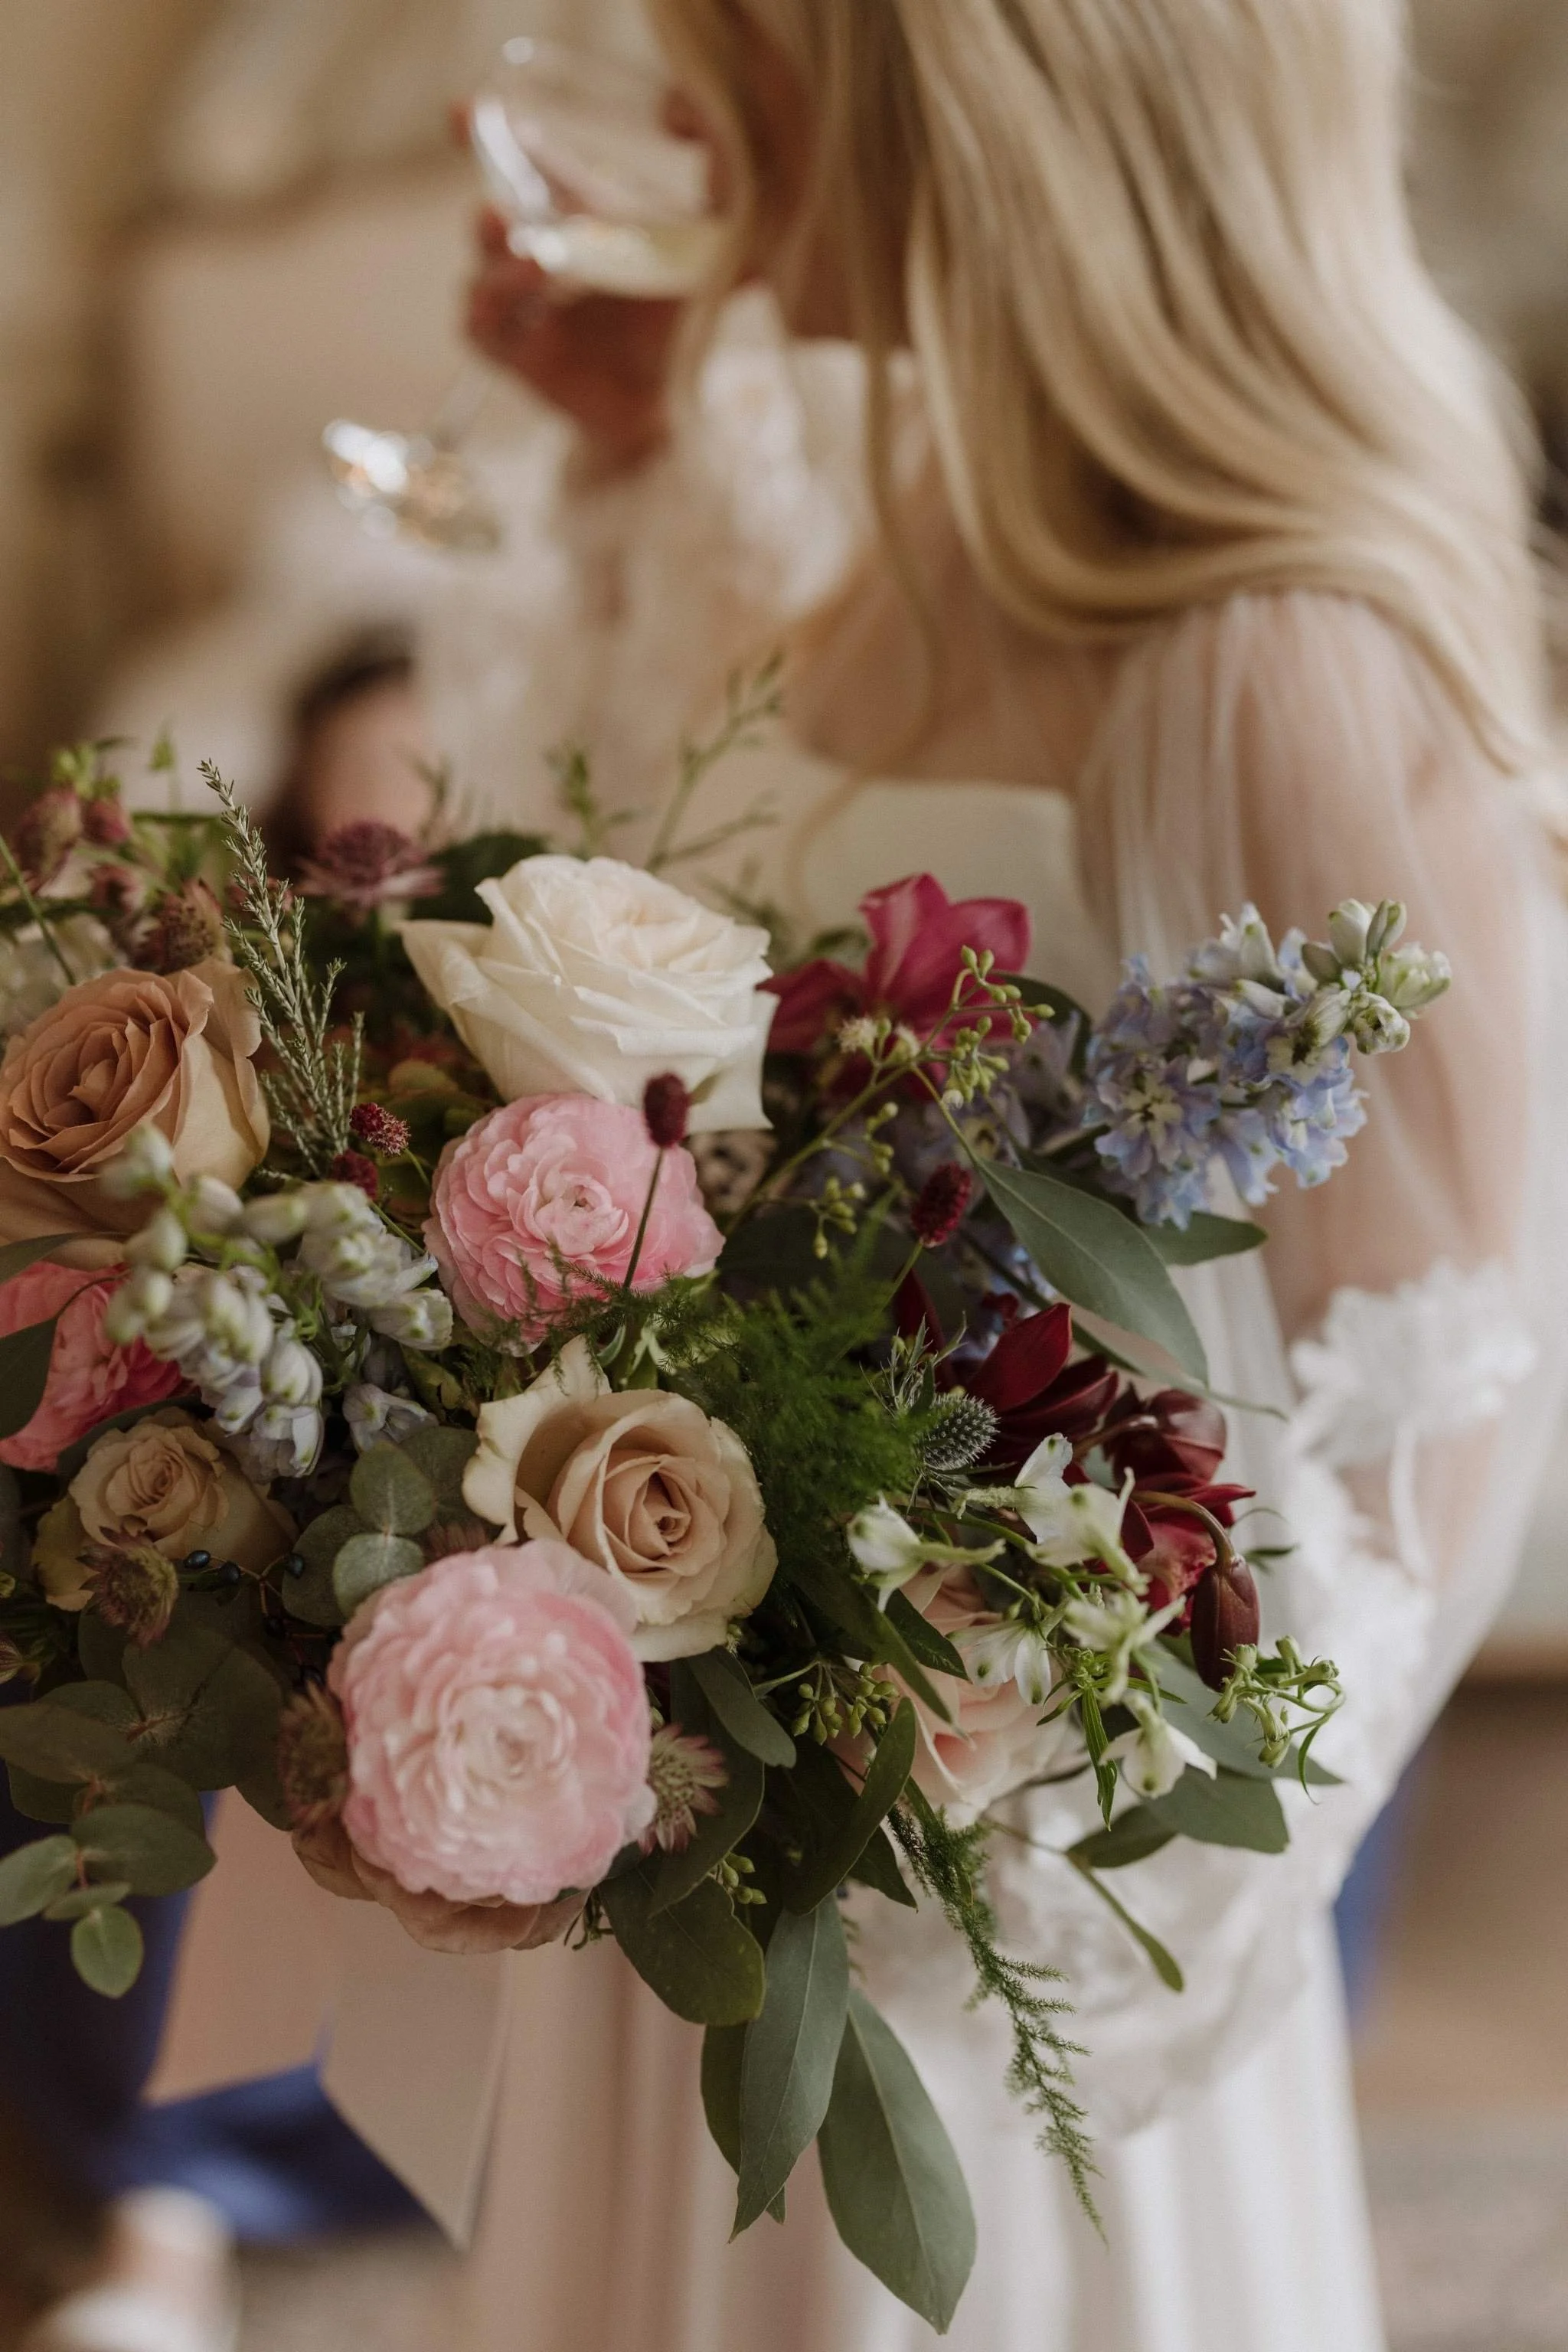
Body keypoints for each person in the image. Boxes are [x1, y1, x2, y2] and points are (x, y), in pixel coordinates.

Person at [92, 4, 1568, 2349]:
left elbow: (1442, 1380)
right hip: (700, 1794)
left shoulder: (1278, 654)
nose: (683, 114)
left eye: (745, 55)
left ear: (978, 108)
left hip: (970, 1901)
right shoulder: (873, 543)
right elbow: (611, 910)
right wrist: (615, 467)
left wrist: (1042, 1831)